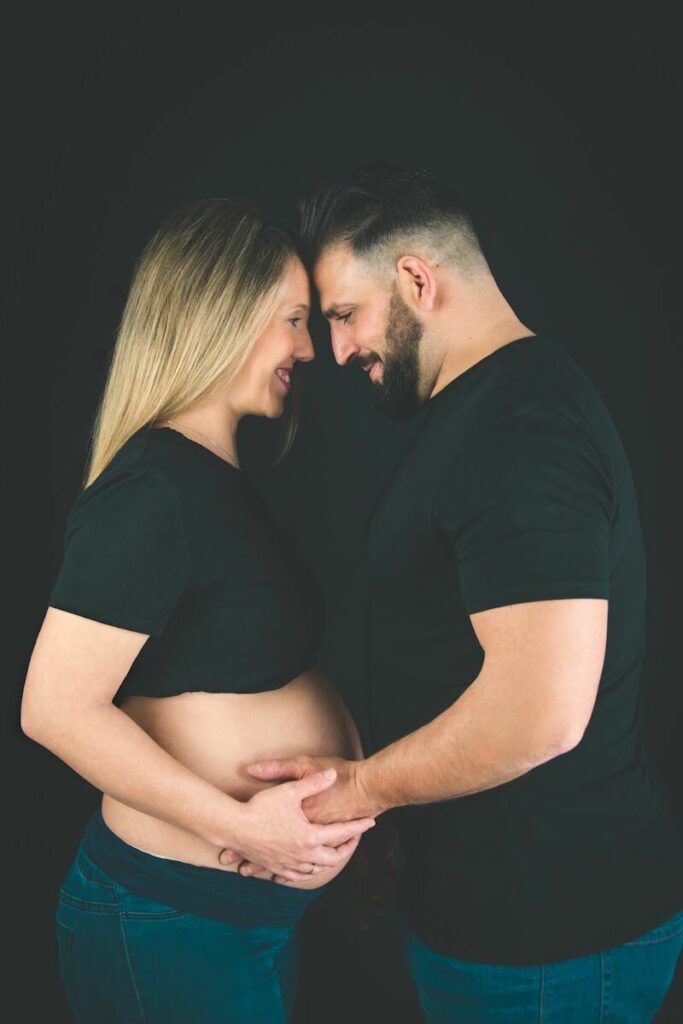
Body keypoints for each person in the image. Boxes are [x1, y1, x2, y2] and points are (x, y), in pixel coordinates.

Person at [232, 162, 683, 1021]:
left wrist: (357, 792)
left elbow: (537, 713)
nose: (338, 351)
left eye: (343, 315)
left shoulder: (522, 430)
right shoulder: (481, 413)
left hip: (551, 945)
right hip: (494, 928)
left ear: (415, 279)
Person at [20, 197, 376, 1024]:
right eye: (291, 318)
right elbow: (53, 709)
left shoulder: (212, 482)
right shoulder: (153, 491)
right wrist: (244, 828)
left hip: (225, 920)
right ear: (220, 311)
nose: (307, 347)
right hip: (170, 921)